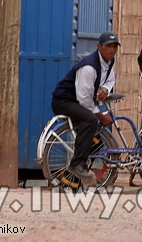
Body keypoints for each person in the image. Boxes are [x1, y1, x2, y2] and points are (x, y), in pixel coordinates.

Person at [51, 31, 120, 186]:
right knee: (91, 120)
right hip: (64, 100)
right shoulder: (89, 66)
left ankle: (73, 180)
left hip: (78, 102)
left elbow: (110, 80)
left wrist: (105, 89)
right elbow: (84, 99)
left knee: (96, 130)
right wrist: (101, 116)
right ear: (99, 47)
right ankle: (77, 164)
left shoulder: (108, 63)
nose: (112, 49)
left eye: (115, 46)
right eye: (109, 46)